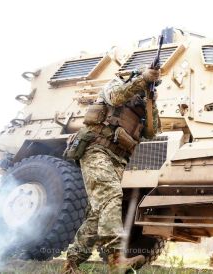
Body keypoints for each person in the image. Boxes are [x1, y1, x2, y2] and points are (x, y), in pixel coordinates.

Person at [61, 65, 161, 274]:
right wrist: (142, 79)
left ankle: (70, 264)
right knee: (112, 196)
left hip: (118, 159)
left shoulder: (143, 104)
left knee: (98, 213)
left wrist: (151, 99)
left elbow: (152, 132)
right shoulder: (117, 84)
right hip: (96, 149)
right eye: (148, 79)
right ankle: (116, 259)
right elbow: (115, 98)